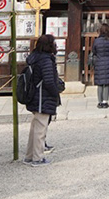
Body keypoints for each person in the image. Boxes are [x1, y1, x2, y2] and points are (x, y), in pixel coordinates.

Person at [23, 33, 65, 166]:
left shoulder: (34, 57)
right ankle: (37, 158)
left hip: (35, 95)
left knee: (35, 128)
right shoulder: (46, 60)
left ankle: (29, 156)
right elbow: (48, 81)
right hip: (42, 97)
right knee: (41, 129)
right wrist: (55, 92)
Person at [90, 23, 109, 109]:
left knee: (100, 83)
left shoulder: (96, 41)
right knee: (107, 83)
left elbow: (94, 50)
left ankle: (100, 102)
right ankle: (105, 101)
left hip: (99, 62)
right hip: (108, 61)